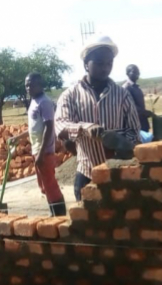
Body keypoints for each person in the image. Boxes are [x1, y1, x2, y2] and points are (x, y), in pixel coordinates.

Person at [56, 35, 141, 201]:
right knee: (87, 223)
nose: (105, 68)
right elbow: (60, 125)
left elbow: (134, 130)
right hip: (87, 173)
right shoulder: (70, 95)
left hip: (117, 173)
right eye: (100, 63)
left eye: (109, 63)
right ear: (86, 64)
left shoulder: (122, 95)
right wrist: (84, 128)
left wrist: (121, 144)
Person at [8, 73, 66, 216]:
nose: (28, 88)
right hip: (37, 150)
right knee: (44, 186)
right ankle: (54, 214)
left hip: (44, 151)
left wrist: (41, 153)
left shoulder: (44, 102)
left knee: (50, 185)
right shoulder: (34, 102)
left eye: (32, 85)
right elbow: (34, 128)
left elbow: (49, 127)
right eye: (27, 85)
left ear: (41, 85)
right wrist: (18, 137)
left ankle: (60, 216)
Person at [122, 64, 152, 133]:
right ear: (127, 73)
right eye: (134, 72)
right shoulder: (126, 87)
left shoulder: (135, 87)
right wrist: (145, 112)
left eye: (138, 72)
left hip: (142, 121)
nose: (137, 74)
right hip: (134, 124)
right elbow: (130, 106)